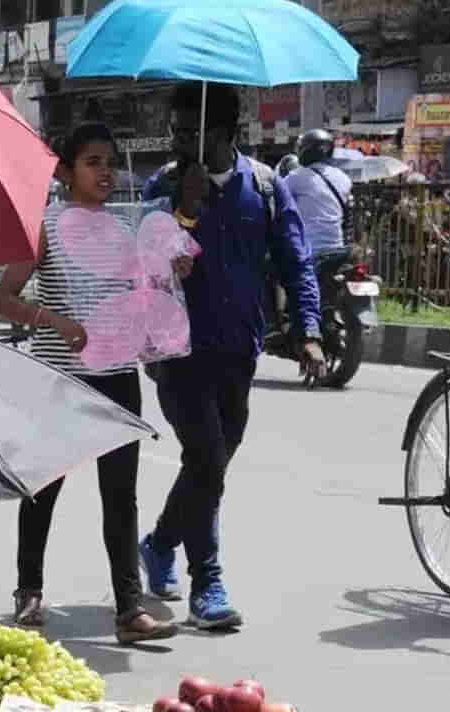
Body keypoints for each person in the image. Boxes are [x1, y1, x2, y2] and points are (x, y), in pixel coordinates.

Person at [138, 82, 325, 629]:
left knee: (211, 462)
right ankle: (208, 584)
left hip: (238, 351)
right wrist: (186, 213)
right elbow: (145, 265)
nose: (177, 140)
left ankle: (161, 541)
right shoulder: (163, 186)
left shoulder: (266, 187)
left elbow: (297, 262)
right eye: (173, 131)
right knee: (207, 459)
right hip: (177, 353)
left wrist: (308, 330)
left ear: (225, 135)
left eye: (187, 131)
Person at [0, 122, 179, 644]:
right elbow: (3, 299)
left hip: (117, 377)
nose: (105, 172)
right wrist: (53, 320)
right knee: (45, 487)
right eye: (93, 162)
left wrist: (164, 284)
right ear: (66, 171)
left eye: (110, 162)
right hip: (60, 379)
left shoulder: (123, 233)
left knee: (121, 497)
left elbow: (136, 301)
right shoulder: (44, 226)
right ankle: (28, 592)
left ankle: (128, 611)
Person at [285, 128, 353, 256]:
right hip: (337, 247)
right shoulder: (343, 177)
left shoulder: (297, 177)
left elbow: (276, 198)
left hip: (311, 250)